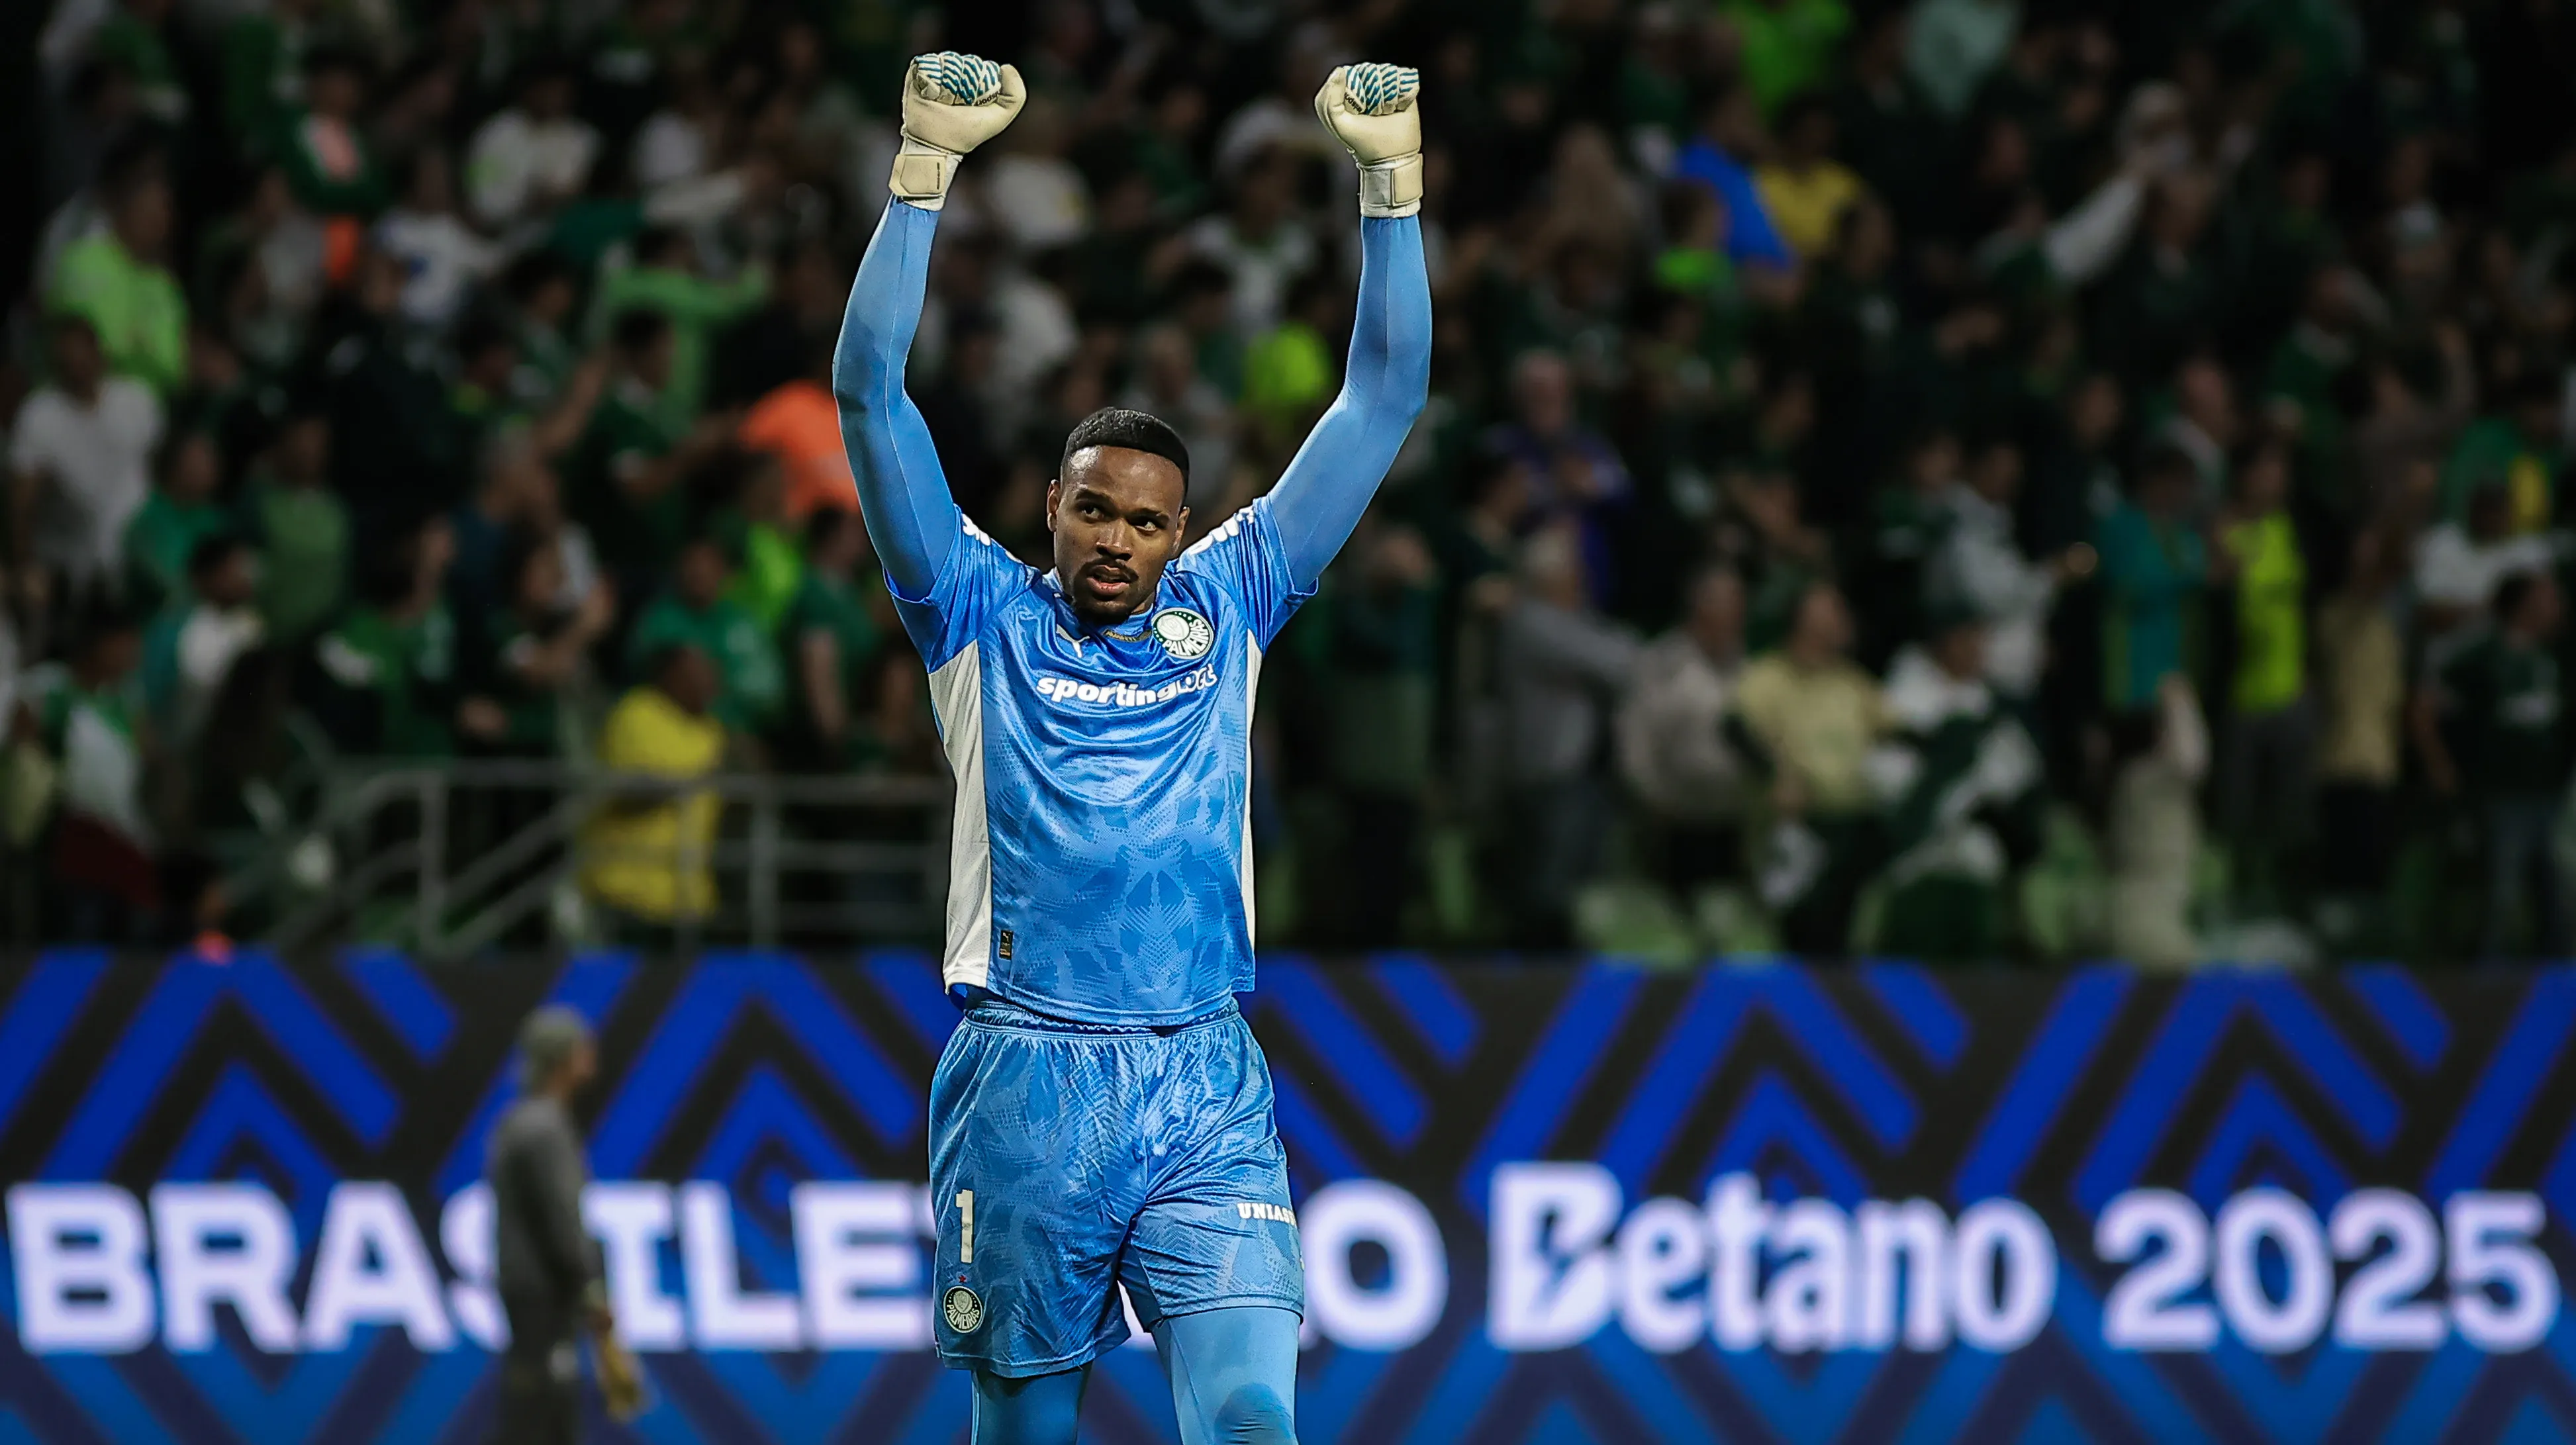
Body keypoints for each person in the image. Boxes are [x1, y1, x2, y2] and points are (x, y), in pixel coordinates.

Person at [833, 52, 1427, 1444]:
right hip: (1027, 1080)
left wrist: (1388, 183)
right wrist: (921, 170)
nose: (1119, 541)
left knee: (1245, 1420)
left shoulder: (1235, 599)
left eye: (1148, 521)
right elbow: (869, 394)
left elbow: (1384, 395)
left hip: (1203, 1074)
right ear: (1050, 506)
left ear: (1181, 531)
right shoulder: (967, 607)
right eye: (1094, 510)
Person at [485, 1005, 640, 1445]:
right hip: (545, 1294)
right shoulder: (544, 1129)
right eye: (582, 1046)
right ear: (563, 1057)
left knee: (537, 1408)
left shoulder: (521, 1122)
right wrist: (592, 1290)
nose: (591, 1054)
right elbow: (563, 1221)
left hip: (528, 1289)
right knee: (541, 1417)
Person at [2418, 571, 2571, 958]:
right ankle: (2485, 984)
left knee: (2553, 894)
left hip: (2550, 794)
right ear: (2521, 605)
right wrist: (2440, 766)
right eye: (2547, 598)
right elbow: (2423, 708)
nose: (2557, 607)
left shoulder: (2553, 656)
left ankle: (2557, 986)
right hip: (2500, 794)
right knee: (2499, 894)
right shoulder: (2480, 657)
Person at [581, 643, 727, 938]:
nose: (710, 681)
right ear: (669, 675)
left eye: (711, 673)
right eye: (698, 672)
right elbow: (630, 794)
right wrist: (691, 781)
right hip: (627, 892)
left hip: (689, 901)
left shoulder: (712, 731)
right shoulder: (637, 712)